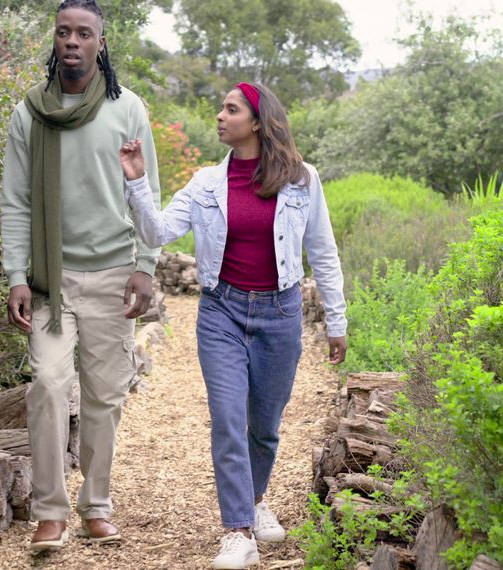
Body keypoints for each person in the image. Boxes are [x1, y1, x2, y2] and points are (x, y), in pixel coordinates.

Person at [118, 82, 347, 569]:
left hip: (280, 313)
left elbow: (323, 252)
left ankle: (256, 498)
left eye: (231, 109)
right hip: (221, 311)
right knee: (227, 420)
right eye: (221, 108)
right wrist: (137, 182)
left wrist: (337, 321)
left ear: (258, 122)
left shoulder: (303, 180)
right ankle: (237, 530)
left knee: (263, 427)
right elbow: (158, 232)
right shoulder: (205, 183)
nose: (220, 116)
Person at [0, 0, 161, 553]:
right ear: (55, 40)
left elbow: (147, 195)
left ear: (100, 44)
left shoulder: (128, 109)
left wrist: (144, 266)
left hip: (113, 273)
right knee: (47, 384)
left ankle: (96, 505)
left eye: (84, 33)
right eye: (64, 31)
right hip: (51, 278)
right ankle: (50, 513)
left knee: (103, 397)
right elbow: (17, 201)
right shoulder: (30, 112)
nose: (72, 40)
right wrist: (16, 273)